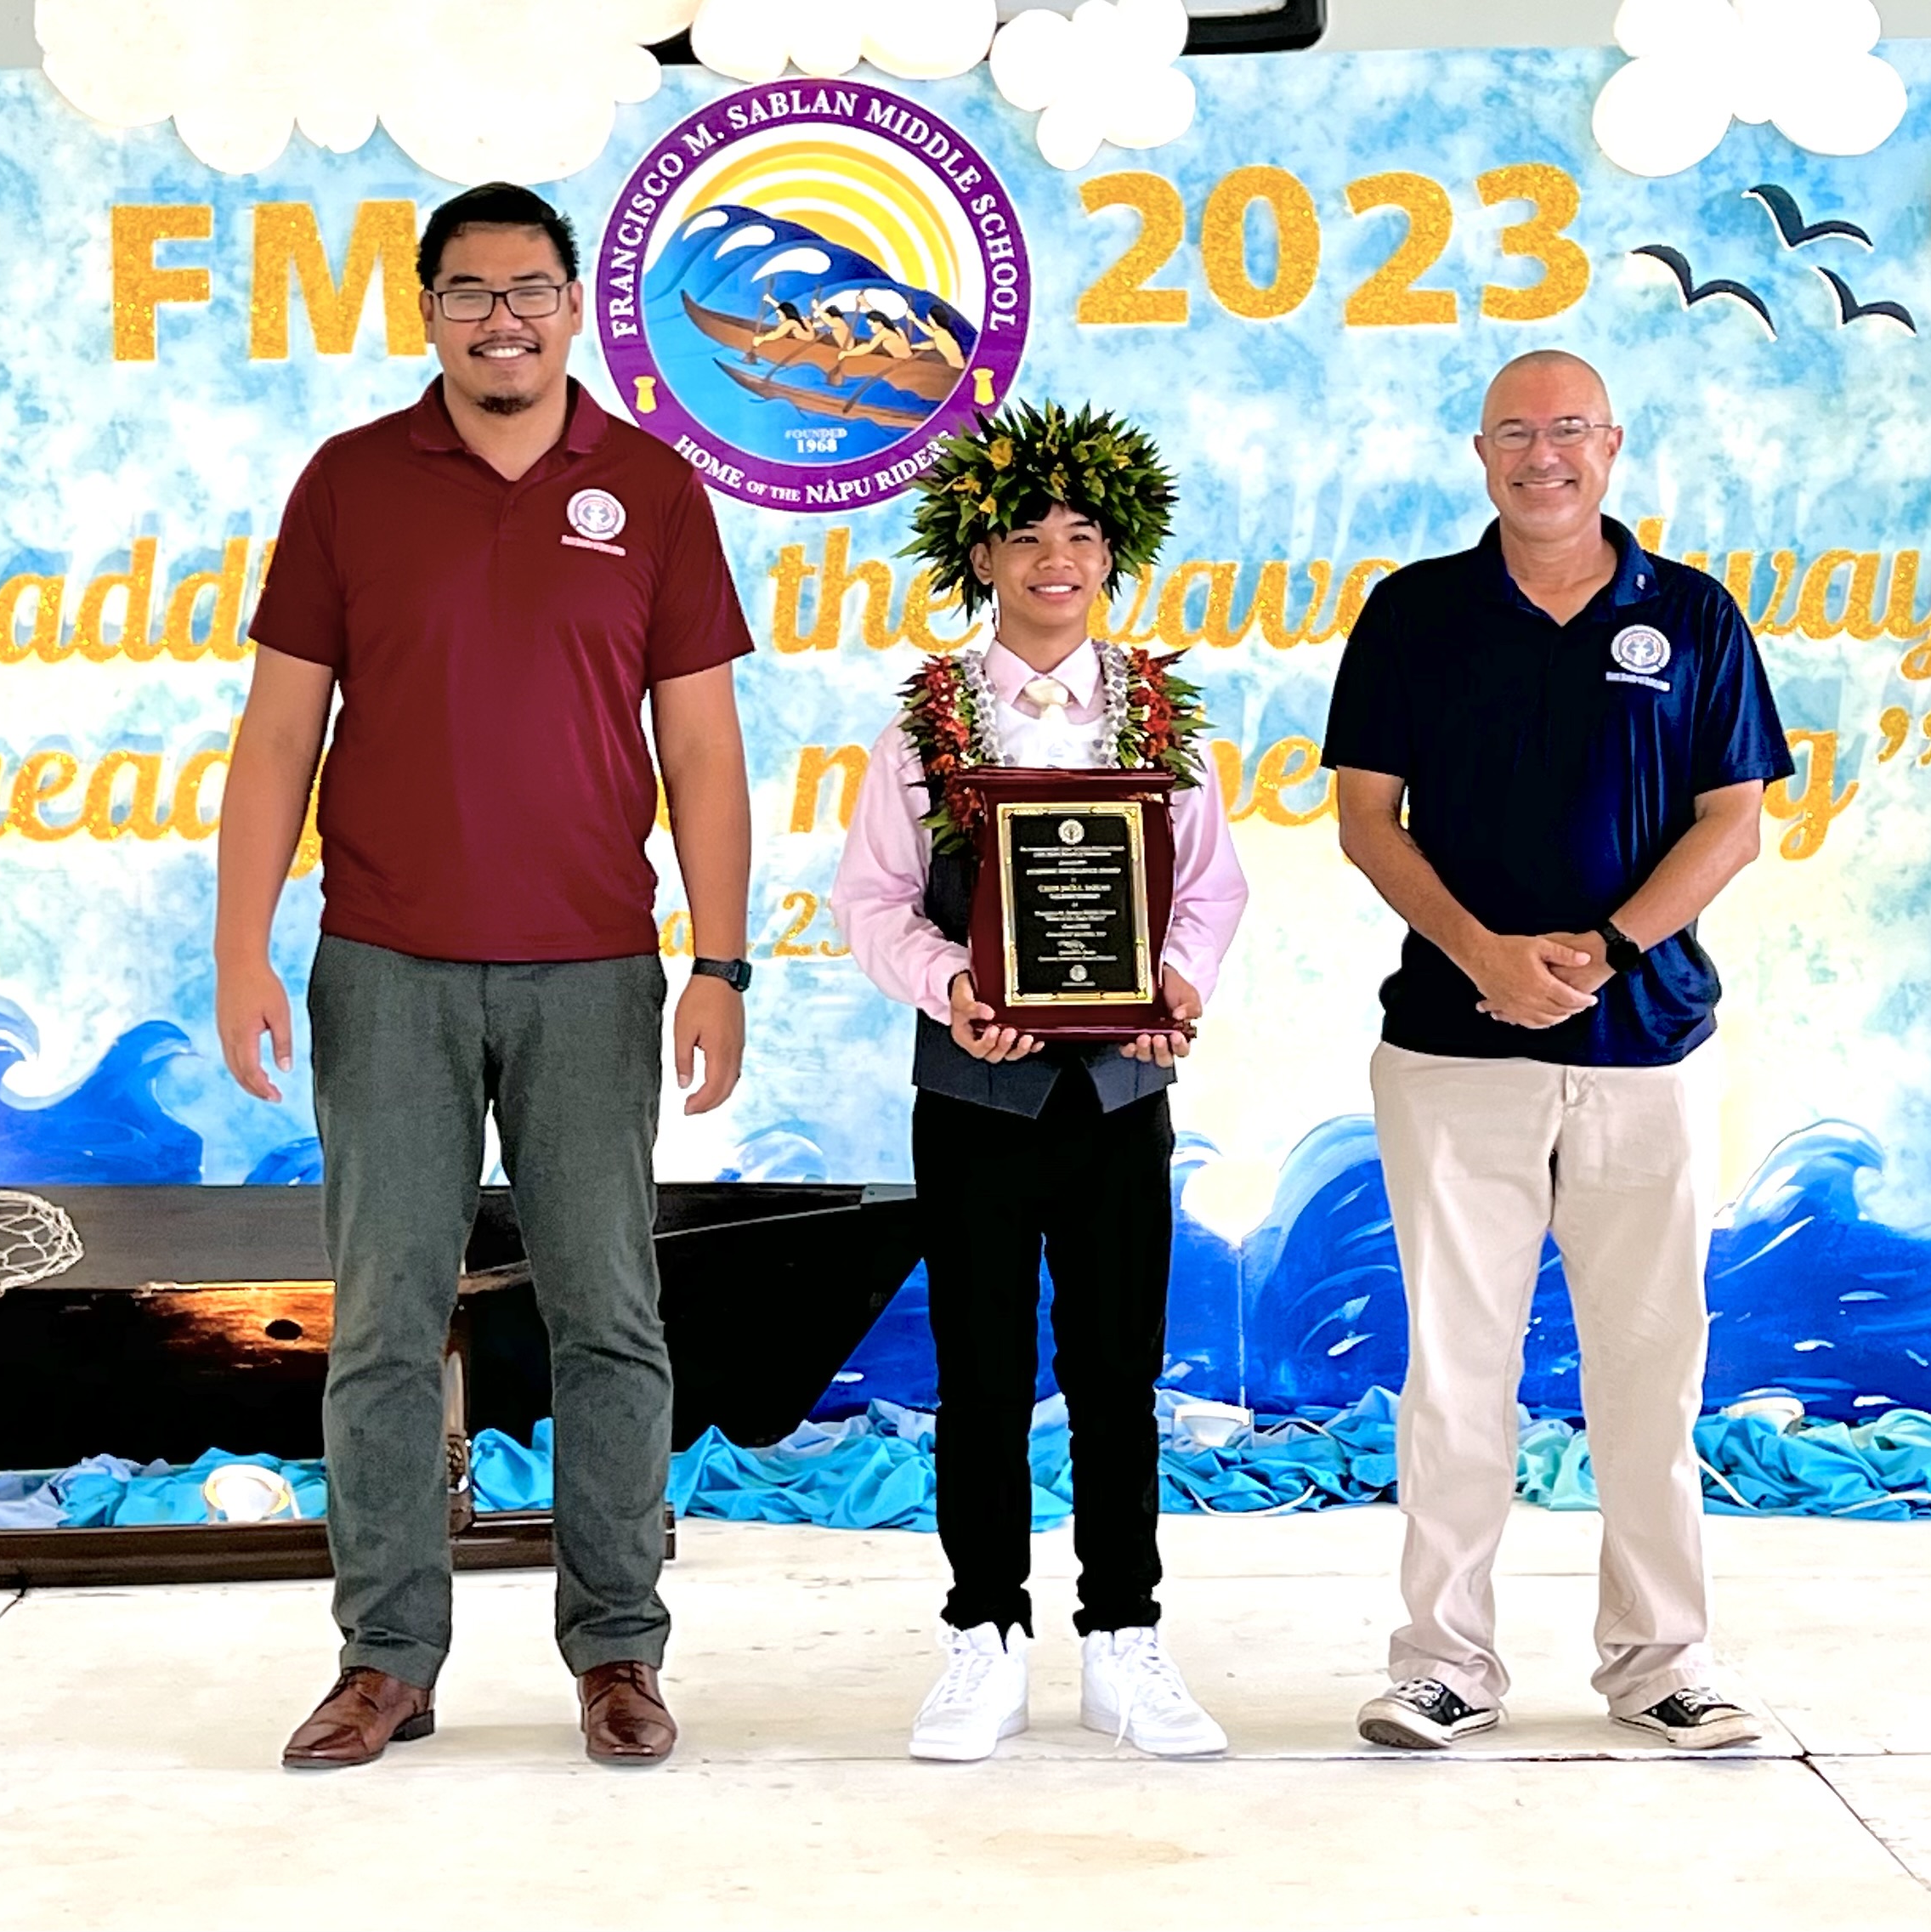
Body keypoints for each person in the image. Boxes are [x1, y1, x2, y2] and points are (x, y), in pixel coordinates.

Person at [214, 182, 756, 1771]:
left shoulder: (652, 490)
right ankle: (386, 1656)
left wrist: (719, 959)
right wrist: (244, 941)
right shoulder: (350, 481)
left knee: (610, 1317)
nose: (500, 318)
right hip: (383, 964)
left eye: (529, 289)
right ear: (428, 308)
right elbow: (276, 733)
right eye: (468, 292)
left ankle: (618, 1652)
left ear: (575, 305)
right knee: (383, 1320)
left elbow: (704, 751)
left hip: (594, 966)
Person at [1323, 350, 1794, 1752]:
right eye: (1517, 434)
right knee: (1455, 1366)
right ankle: (1442, 1662)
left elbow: (1733, 817)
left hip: (1642, 1045)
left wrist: (1609, 946)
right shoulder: (1413, 613)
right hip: (1450, 1052)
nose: (1545, 456)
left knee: (1650, 1367)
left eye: (1569, 430)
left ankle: (1662, 1660)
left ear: (1613, 446)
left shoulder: (1691, 614)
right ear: (1480, 452)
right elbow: (1363, 817)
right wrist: (1480, 954)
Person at [833, 402, 1249, 1762]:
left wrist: (1176, 978)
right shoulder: (926, 719)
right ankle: (982, 1635)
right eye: (1025, 535)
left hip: (1120, 1095)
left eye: (1079, 535)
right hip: (975, 1096)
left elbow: (1208, 887)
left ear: (1113, 552)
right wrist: (953, 987)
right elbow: (873, 900)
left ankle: (1123, 1638)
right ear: (980, 552)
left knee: (1119, 1367)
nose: (1053, 559)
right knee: (980, 1371)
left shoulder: (1159, 708)